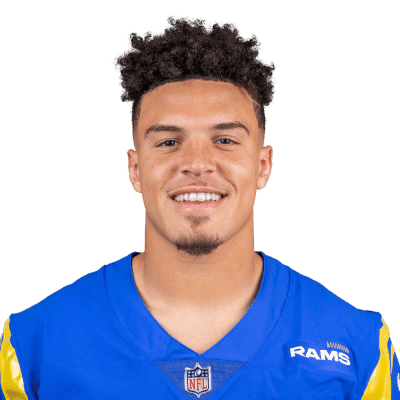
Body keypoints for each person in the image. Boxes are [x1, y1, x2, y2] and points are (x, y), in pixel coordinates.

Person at [0, 15, 398, 400]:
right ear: (135, 169)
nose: (196, 163)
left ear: (263, 165)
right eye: (168, 142)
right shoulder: (32, 343)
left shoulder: (359, 344)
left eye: (225, 140)